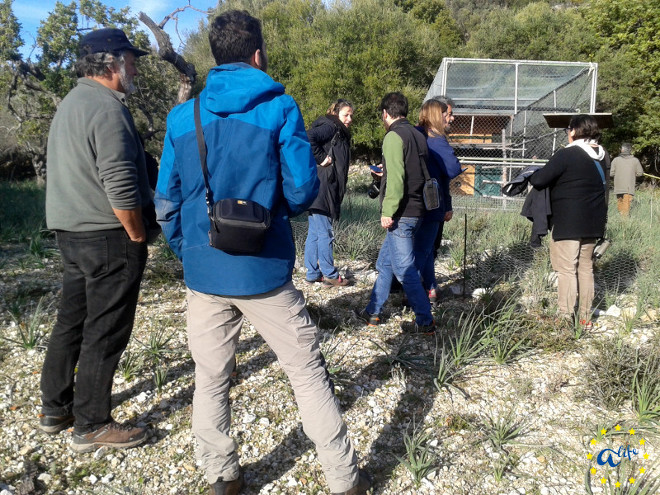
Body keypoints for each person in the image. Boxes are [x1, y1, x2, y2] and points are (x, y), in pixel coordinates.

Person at [155, 11, 371, 495]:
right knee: (306, 372)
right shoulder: (280, 108)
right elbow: (299, 190)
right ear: (257, 55)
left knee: (210, 378)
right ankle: (345, 481)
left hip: (204, 273)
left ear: (215, 55)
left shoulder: (181, 116)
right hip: (265, 273)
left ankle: (222, 477)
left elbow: (165, 202)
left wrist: (188, 251)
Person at [40, 28, 152, 452]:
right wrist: (138, 234)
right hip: (107, 236)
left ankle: (56, 408)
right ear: (111, 63)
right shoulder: (106, 107)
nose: (136, 66)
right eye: (131, 58)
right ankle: (91, 424)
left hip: (70, 232)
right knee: (105, 329)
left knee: (71, 320)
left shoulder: (71, 102)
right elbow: (120, 182)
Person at [357, 92, 435, 334]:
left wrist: (388, 211)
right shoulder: (417, 135)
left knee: (404, 269)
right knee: (385, 263)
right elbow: (413, 171)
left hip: (402, 213)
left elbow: (398, 179)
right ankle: (373, 311)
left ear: (385, 113)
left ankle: (425, 321)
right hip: (419, 208)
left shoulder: (393, 136)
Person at [529, 114, 609, 327]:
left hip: (567, 222)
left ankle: (564, 317)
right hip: (594, 223)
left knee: (566, 270)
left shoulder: (567, 154)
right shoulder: (603, 156)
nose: (567, 133)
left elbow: (540, 179)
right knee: (585, 268)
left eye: (568, 129)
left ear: (574, 131)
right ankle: (585, 317)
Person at [413, 99, 462, 305]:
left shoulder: (415, 134)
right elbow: (451, 170)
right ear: (436, 115)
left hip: (413, 201)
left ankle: (430, 286)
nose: (450, 118)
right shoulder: (437, 140)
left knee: (421, 246)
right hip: (432, 203)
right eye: (446, 114)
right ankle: (415, 292)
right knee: (425, 248)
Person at [304, 99, 354, 287]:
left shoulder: (336, 129)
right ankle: (330, 274)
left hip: (319, 187)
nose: (349, 119)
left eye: (351, 115)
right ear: (335, 113)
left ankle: (312, 273)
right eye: (346, 114)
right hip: (323, 188)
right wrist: (322, 158)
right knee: (325, 232)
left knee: (315, 233)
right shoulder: (332, 127)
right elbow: (308, 137)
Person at [610, 142, 643, 216]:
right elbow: (640, 173)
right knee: (626, 208)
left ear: (622, 150)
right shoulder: (635, 160)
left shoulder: (615, 160)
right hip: (629, 188)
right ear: (630, 150)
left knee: (620, 206)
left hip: (618, 187)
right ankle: (625, 223)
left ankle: (621, 223)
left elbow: (611, 173)